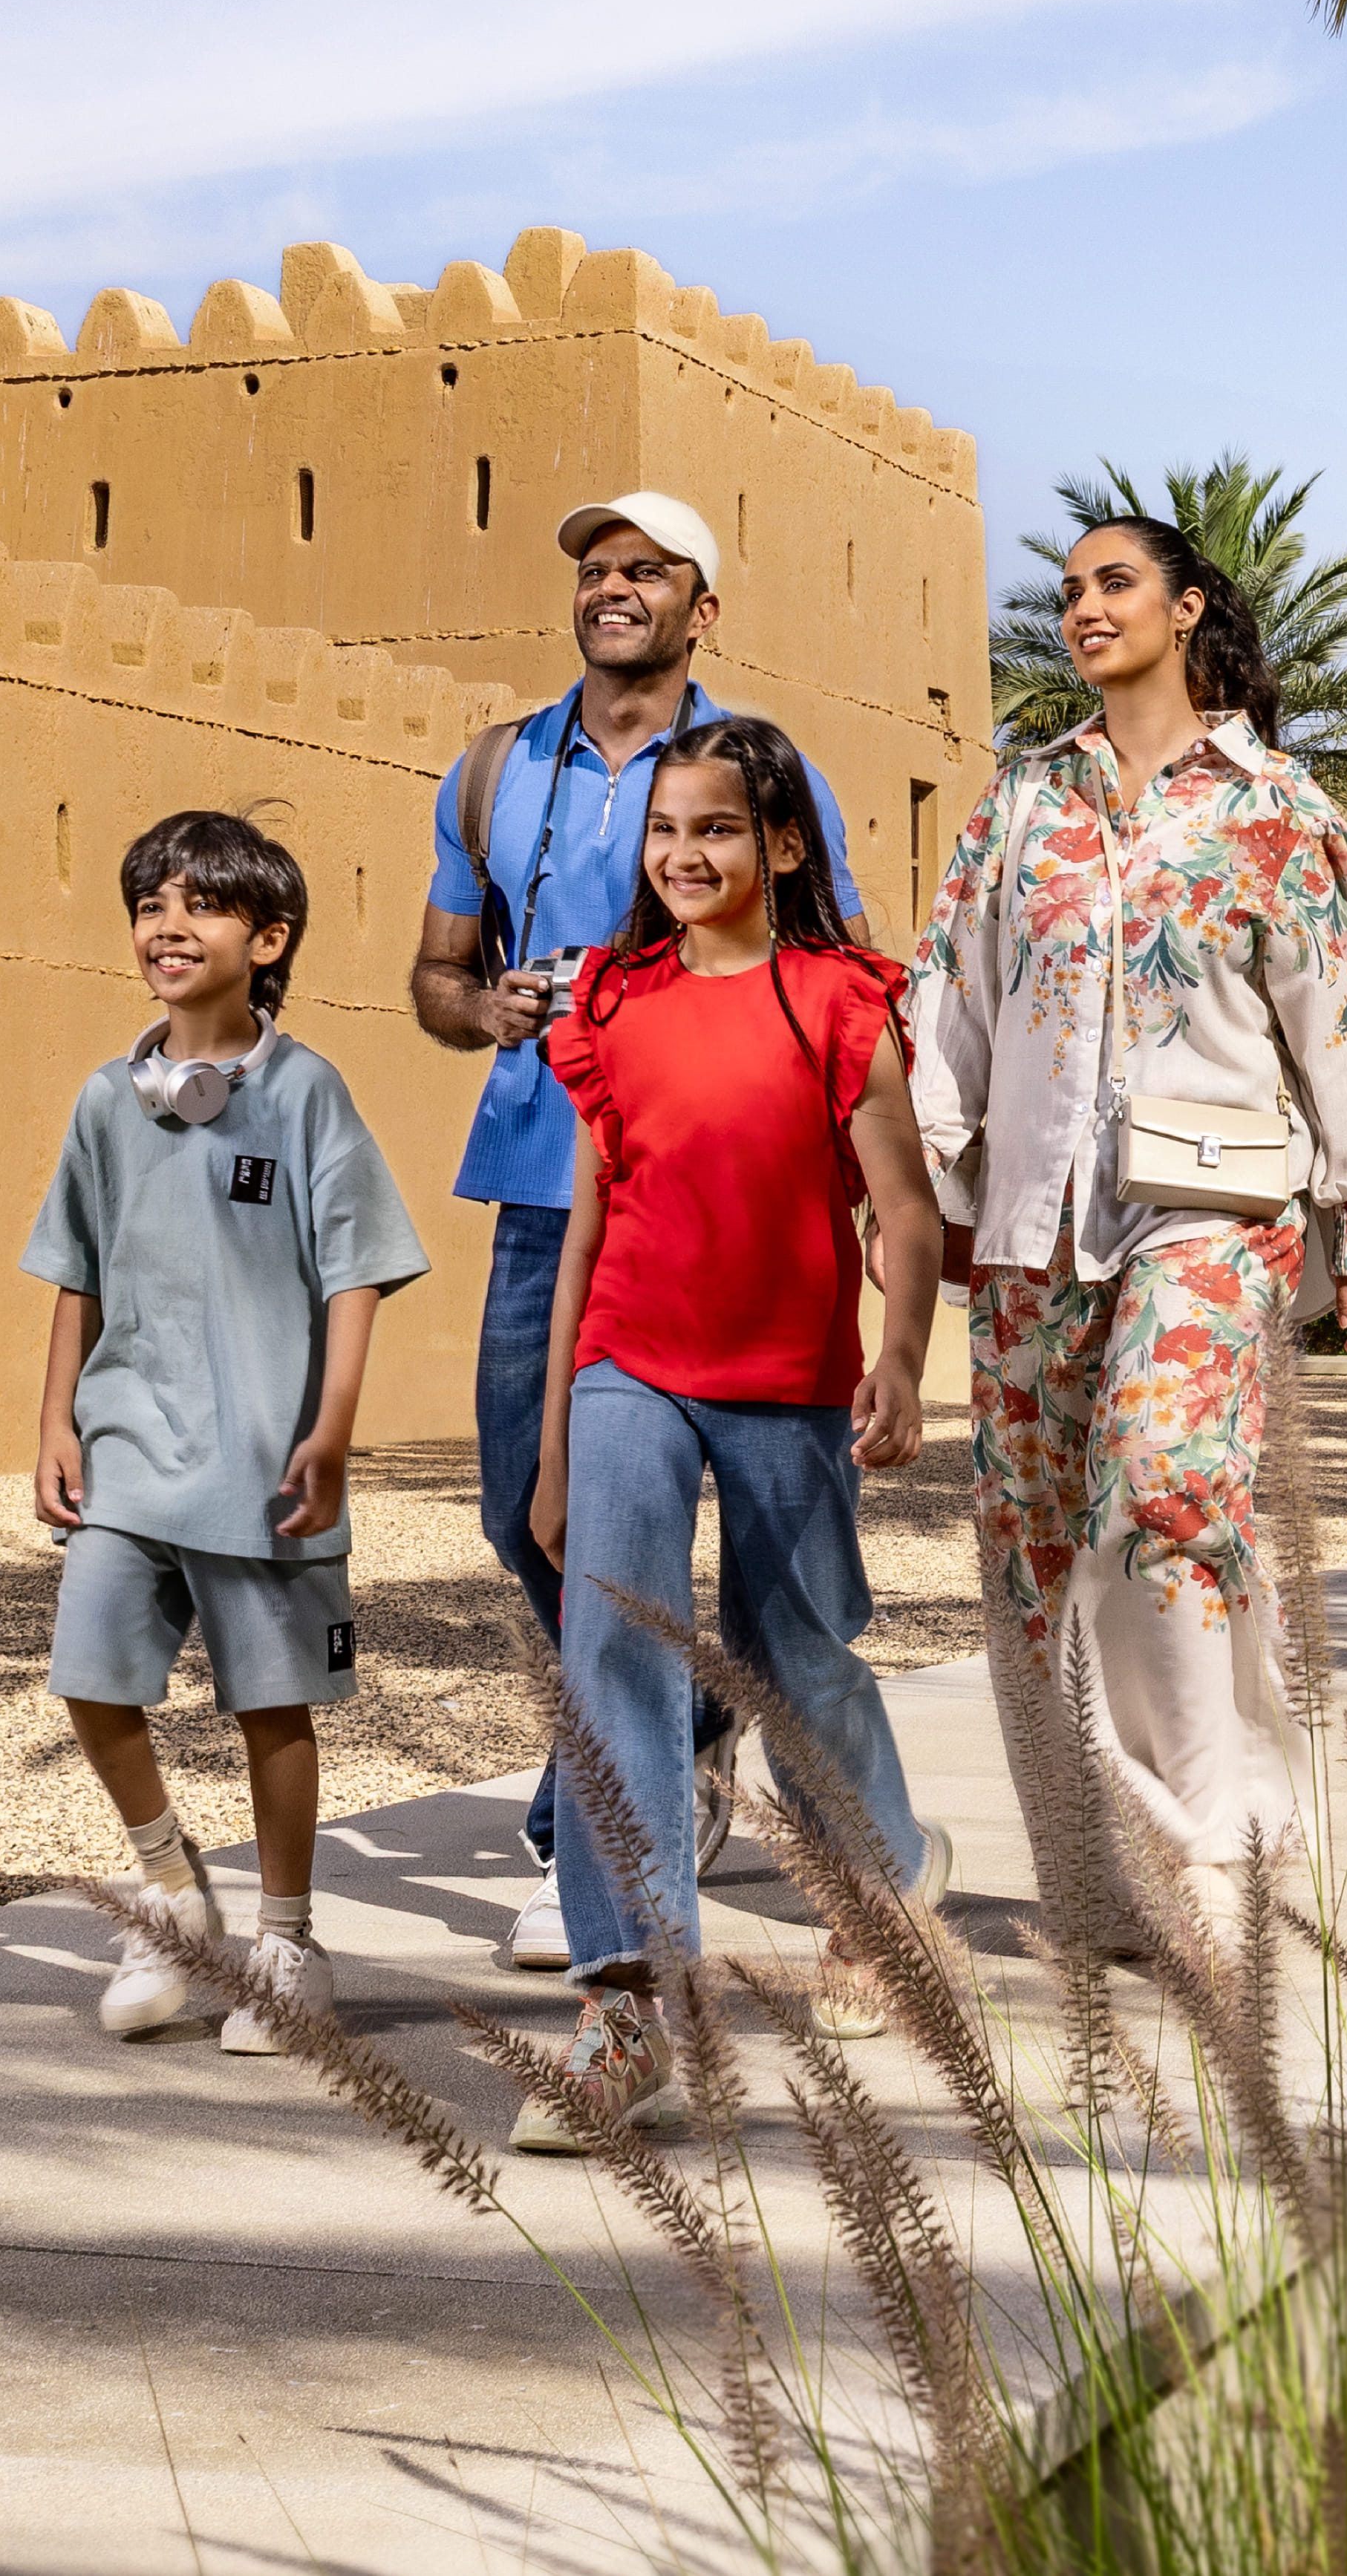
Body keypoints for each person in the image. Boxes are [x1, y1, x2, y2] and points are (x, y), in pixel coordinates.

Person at [904, 517, 1347, 1909]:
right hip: (1032, 1217)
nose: (1082, 607)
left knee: (1168, 1482)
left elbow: (1346, 1018)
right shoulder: (1022, 802)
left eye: (1113, 583)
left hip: (1215, 1204)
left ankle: (1218, 1841)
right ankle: (1093, 1873)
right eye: (1067, 590)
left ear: (1188, 609)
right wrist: (948, 1175)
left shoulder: (1279, 809)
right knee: (1034, 1542)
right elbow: (952, 988)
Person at [411, 490, 855, 1972]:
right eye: (596, 569)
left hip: (721, 1198)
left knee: (754, 1535)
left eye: (646, 571)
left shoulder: (752, 775)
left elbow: (833, 963)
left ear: (700, 609)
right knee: (517, 1511)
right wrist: (491, 1010)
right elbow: (434, 975)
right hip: (547, 1184)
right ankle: (685, 1720)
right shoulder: (492, 772)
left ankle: (589, 1822)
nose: (612, 589)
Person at [511, 719, 956, 2151]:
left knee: (797, 1652)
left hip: (788, 1381)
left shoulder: (837, 1001)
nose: (684, 856)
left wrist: (900, 1358)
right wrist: (560, 1437)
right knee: (611, 1648)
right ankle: (628, 2000)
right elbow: (587, 1221)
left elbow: (900, 1206)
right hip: (631, 1365)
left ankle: (877, 1888)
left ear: (780, 848)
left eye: (714, 830)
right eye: (663, 832)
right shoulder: (615, 1002)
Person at [26, 809, 429, 2049]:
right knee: (91, 1677)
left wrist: (334, 1429)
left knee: (272, 1706)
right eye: (151, 903)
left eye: (198, 905)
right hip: (133, 1443)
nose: (167, 925)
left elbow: (355, 1270)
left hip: (266, 1458)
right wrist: (56, 1415)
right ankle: (169, 1892)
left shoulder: (308, 1095)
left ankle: (288, 1938)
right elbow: (76, 1269)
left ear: (269, 939)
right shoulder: (107, 1101)